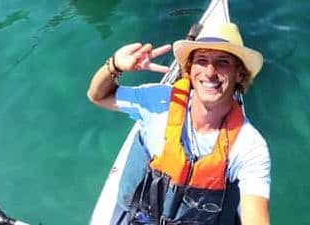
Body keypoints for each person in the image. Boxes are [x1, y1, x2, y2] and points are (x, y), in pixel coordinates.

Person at [86, 22, 270, 225]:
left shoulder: (250, 147)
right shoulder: (158, 101)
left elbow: (256, 214)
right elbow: (98, 96)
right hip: (139, 217)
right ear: (189, 71)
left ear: (239, 74)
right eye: (201, 60)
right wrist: (114, 66)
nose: (210, 72)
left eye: (223, 62)